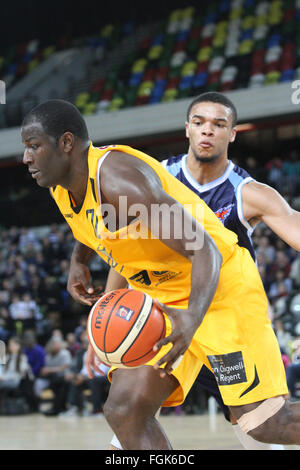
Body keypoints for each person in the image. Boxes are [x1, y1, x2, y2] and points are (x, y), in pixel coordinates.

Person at [21, 98, 300, 450]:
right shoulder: (63, 186)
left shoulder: (122, 180)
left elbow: (204, 250)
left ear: (65, 143)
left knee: (264, 424)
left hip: (218, 291)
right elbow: (95, 224)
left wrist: (191, 317)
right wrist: (80, 259)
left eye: (33, 147)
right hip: (163, 301)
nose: (27, 158)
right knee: (124, 409)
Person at [107, 92, 300, 451]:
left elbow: (294, 227)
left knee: (261, 429)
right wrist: (107, 306)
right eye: (199, 123)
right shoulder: (156, 178)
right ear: (187, 129)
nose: (207, 131)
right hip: (169, 319)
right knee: (127, 415)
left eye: (218, 124)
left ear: (233, 134)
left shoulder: (247, 193)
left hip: (223, 320)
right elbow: (124, 248)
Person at [35, 336, 72, 416]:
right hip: (52, 378)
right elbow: (46, 368)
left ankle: (58, 408)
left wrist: (49, 370)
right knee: (40, 382)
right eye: (53, 344)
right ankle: (39, 407)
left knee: (61, 384)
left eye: (56, 343)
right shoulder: (48, 356)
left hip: (65, 377)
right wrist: (44, 371)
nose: (54, 345)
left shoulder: (65, 353)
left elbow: (64, 368)